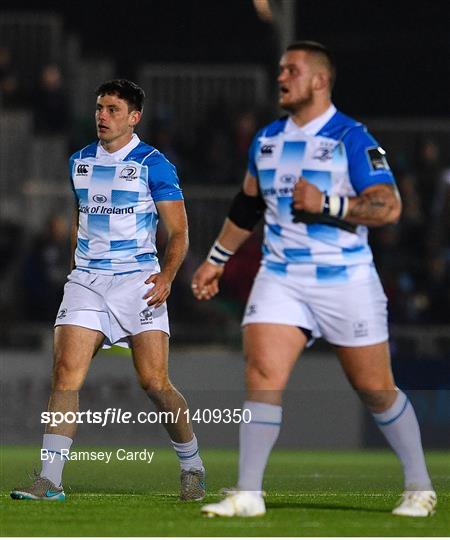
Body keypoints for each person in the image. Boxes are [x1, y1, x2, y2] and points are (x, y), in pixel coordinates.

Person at [191, 41, 436, 518]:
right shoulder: (266, 140)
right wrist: (216, 258)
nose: (281, 77)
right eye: (280, 69)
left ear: (320, 81)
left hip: (345, 280)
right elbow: (248, 206)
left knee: (376, 390)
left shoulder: (352, 136)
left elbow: (390, 206)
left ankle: (419, 485)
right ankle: (247, 494)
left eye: (293, 70)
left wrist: (331, 204)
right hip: (281, 277)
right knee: (262, 373)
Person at [11, 79, 205, 502]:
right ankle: (50, 480)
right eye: (100, 108)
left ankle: (192, 465)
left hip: (139, 283)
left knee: (154, 383)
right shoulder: (79, 161)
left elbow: (180, 233)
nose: (102, 116)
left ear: (134, 117)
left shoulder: (155, 164)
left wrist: (168, 277)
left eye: (113, 109)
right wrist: (75, 271)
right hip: (87, 283)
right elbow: (82, 220)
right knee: (65, 376)